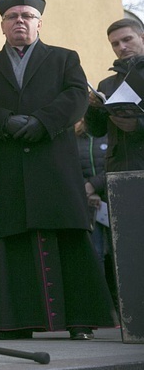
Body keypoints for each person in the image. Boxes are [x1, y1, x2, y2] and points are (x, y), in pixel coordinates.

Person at [0, 0, 118, 340]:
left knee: (68, 238)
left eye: (27, 16)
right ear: (2, 25)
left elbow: (77, 98)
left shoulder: (65, 59)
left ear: (39, 23)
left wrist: (41, 122)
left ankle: (80, 320)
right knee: (17, 242)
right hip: (11, 166)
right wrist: (6, 122)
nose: (20, 21)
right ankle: (19, 321)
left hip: (55, 166)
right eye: (12, 16)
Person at [85, 18, 144, 174]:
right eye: (115, 44)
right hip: (118, 169)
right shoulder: (106, 85)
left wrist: (138, 126)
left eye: (127, 39)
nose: (122, 47)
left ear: (142, 38)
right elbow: (96, 131)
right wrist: (93, 107)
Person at [74, 118, 117, 307]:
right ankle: (101, 303)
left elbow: (113, 165)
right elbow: (72, 166)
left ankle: (119, 300)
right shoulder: (75, 139)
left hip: (111, 199)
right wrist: (86, 189)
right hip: (88, 203)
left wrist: (95, 186)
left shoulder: (109, 135)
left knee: (117, 254)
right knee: (95, 252)